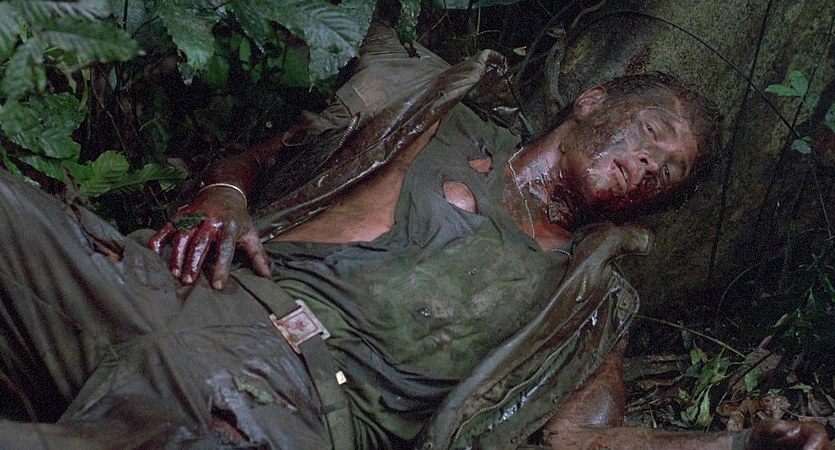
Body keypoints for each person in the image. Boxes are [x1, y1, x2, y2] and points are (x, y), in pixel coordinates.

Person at [0, 20, 828, 450]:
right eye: (649, 132)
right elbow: (269, 153)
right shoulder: (432, 112)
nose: (648, 162)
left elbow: (580, 437)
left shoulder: (590, 300)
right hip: (184, 291)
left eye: (669, 171)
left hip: (281, 404)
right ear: (592, 100)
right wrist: (222, 193)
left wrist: (735, 444)